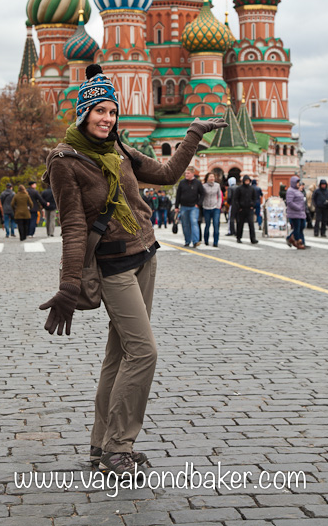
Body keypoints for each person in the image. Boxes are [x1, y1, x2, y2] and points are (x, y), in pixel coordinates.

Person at [39, 64, 226, 478]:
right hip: (112, 266)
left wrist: (192, 134)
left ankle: (100, 445)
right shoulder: (65, 160)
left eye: (112, 111)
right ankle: (119, 448)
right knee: (144, 351)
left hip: (145, 257)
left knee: (120, 353)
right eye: (98, 111)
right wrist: (69, 285)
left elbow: (166, 174)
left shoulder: (119, 149)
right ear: (82, 113)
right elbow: (73, 226)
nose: (107, 118)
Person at [175, 166, 204, 247]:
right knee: (185, 224)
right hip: (183, 207)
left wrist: (198, 204)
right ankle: (187, 241)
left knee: (194, 222)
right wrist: (176, 206)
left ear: (192, 174)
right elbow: (178, 195)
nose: (186, 175)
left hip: (194, 207)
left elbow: (202, 194)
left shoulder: (197, 183)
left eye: (188, 173)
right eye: (185, 173)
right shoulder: (182, 182)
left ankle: (195, 241)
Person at [232, 175, 258, 244]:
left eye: (248, 181)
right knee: (240, 224)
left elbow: (255, 198)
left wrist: (253, 205)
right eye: (246, 180)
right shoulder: (239, 188)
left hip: (249, 209)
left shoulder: (252, 189)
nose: (247, 182)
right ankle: (239, 237)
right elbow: (236, 199)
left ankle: (253, 238)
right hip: (241, 209)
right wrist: (239, 207)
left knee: (251, 224)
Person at [285, 176, 307, 249]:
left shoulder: (298, 190)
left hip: (301, 213)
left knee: (302, 226)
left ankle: (290, 238)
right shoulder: (290, 190)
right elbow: (289, 202)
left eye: (298, 182)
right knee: (297, 228)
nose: (298, 184)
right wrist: (298, 208)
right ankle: (298, 242)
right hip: (294, 213)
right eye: (297, 182)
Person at [202, 172, 222, 247]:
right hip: (206, 207)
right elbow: (201, 196)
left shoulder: (217, 185)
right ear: (207, 178)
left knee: (216, 224)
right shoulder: (204, 186)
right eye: (210, 177)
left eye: (213, 176)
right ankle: (206, 240)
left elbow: (220, 196)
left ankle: (215, 242)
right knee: (207, 225)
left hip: (215, 207)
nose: (212, 178)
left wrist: (218, 205)